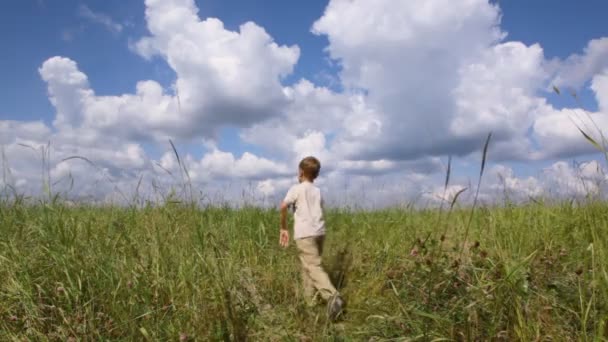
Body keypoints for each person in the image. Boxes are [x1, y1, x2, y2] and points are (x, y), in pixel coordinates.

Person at [279, 156, 345, 321]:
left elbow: (283, 206)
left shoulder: (297, 189)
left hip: (305, 234)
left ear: (300, 172)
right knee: (307, 266)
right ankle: (310, 303)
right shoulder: (318, 191)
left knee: (313, 266)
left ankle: (332, 297)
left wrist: (283, 228)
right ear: (316, 175)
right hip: (319, 232)